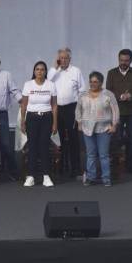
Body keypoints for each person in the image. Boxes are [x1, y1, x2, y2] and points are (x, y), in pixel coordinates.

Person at [76, 71, 120, 186]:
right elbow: (78, 110)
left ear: (101, 82)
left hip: (104, 129)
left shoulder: (108, 94)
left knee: (103, 155)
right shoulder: (83, 95)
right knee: (90, 155)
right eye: (91, 81)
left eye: (95, 82)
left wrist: (114, 125)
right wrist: (79, 123)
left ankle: (106, 179)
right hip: (87, 129)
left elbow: (115, 110)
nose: (93, 84)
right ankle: (91, 177)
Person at [19, 61, 58, 187]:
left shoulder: (51, 85)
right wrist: (23, 121)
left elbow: (54, 106)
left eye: (42, 69)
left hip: (46, 118)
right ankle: (30, 176)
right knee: (32, 147)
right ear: (34, 71)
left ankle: (46, 176)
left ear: (45, 72)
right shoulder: (28, 84)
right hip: (31, 118)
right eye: (37, 69)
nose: (40, 72)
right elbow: (24, 104)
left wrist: (55, 123)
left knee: (44, 147)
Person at [106, 48, 132, 174]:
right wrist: (121, 96)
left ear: (131, 61)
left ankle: (131, 166)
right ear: (118, 59)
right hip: (117, 112)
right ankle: (115, 164)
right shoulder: (111, 73)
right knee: (116, 138)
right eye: (121, 60)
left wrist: (130, 96)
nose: (123, 62)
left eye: (126, 60)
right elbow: (108, 91)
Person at [48, 48, 84, 180]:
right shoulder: (53, 72)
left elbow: (82, 91)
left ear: (70, 59)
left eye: (65, 58)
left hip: (71, 108)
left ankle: (76, 169)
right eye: (61, 58)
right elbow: (47, 82)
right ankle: (62, 167)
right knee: (60, 139)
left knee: (74, 139)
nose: (63, 60)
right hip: (57, 108)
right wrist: (55, 67)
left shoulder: (76, 71)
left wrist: (79, 110)